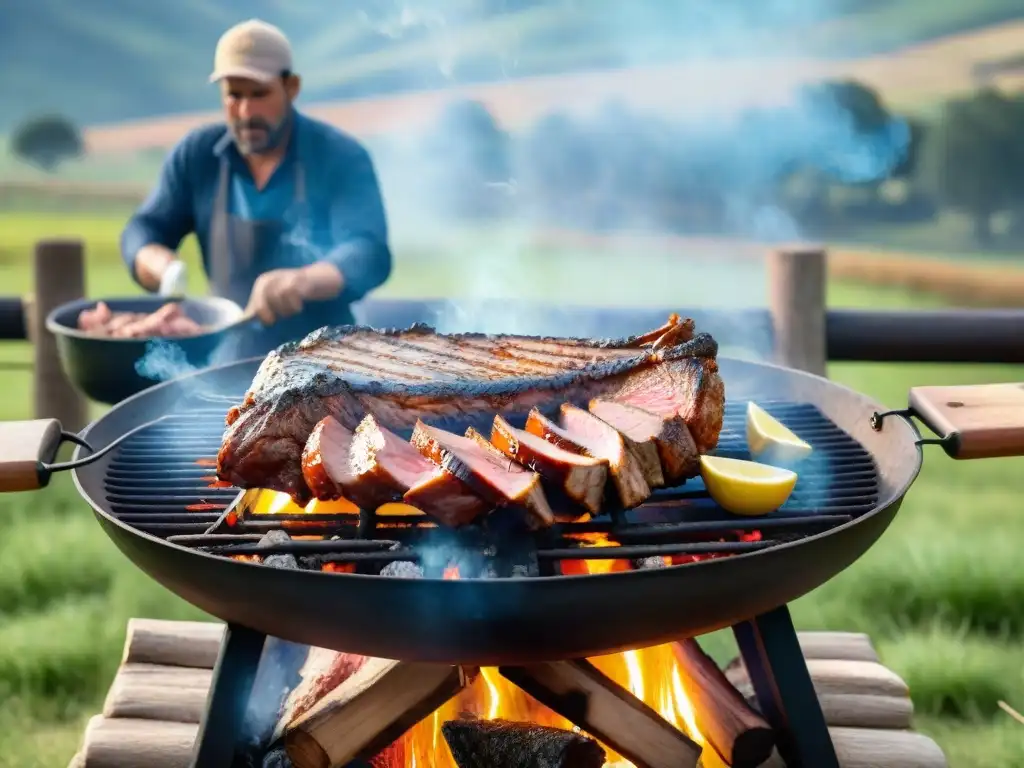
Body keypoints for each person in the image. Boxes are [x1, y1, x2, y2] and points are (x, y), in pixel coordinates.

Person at [120, 19, 392, 357]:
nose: (246, 112)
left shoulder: (339, 156)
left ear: (291, 87)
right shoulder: (198, 155)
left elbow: (368, 252)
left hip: (329, 362)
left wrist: (303, 280)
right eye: (234, 95)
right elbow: (145, 228)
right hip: (228, 361)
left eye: (259, 94)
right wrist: (159, 265)